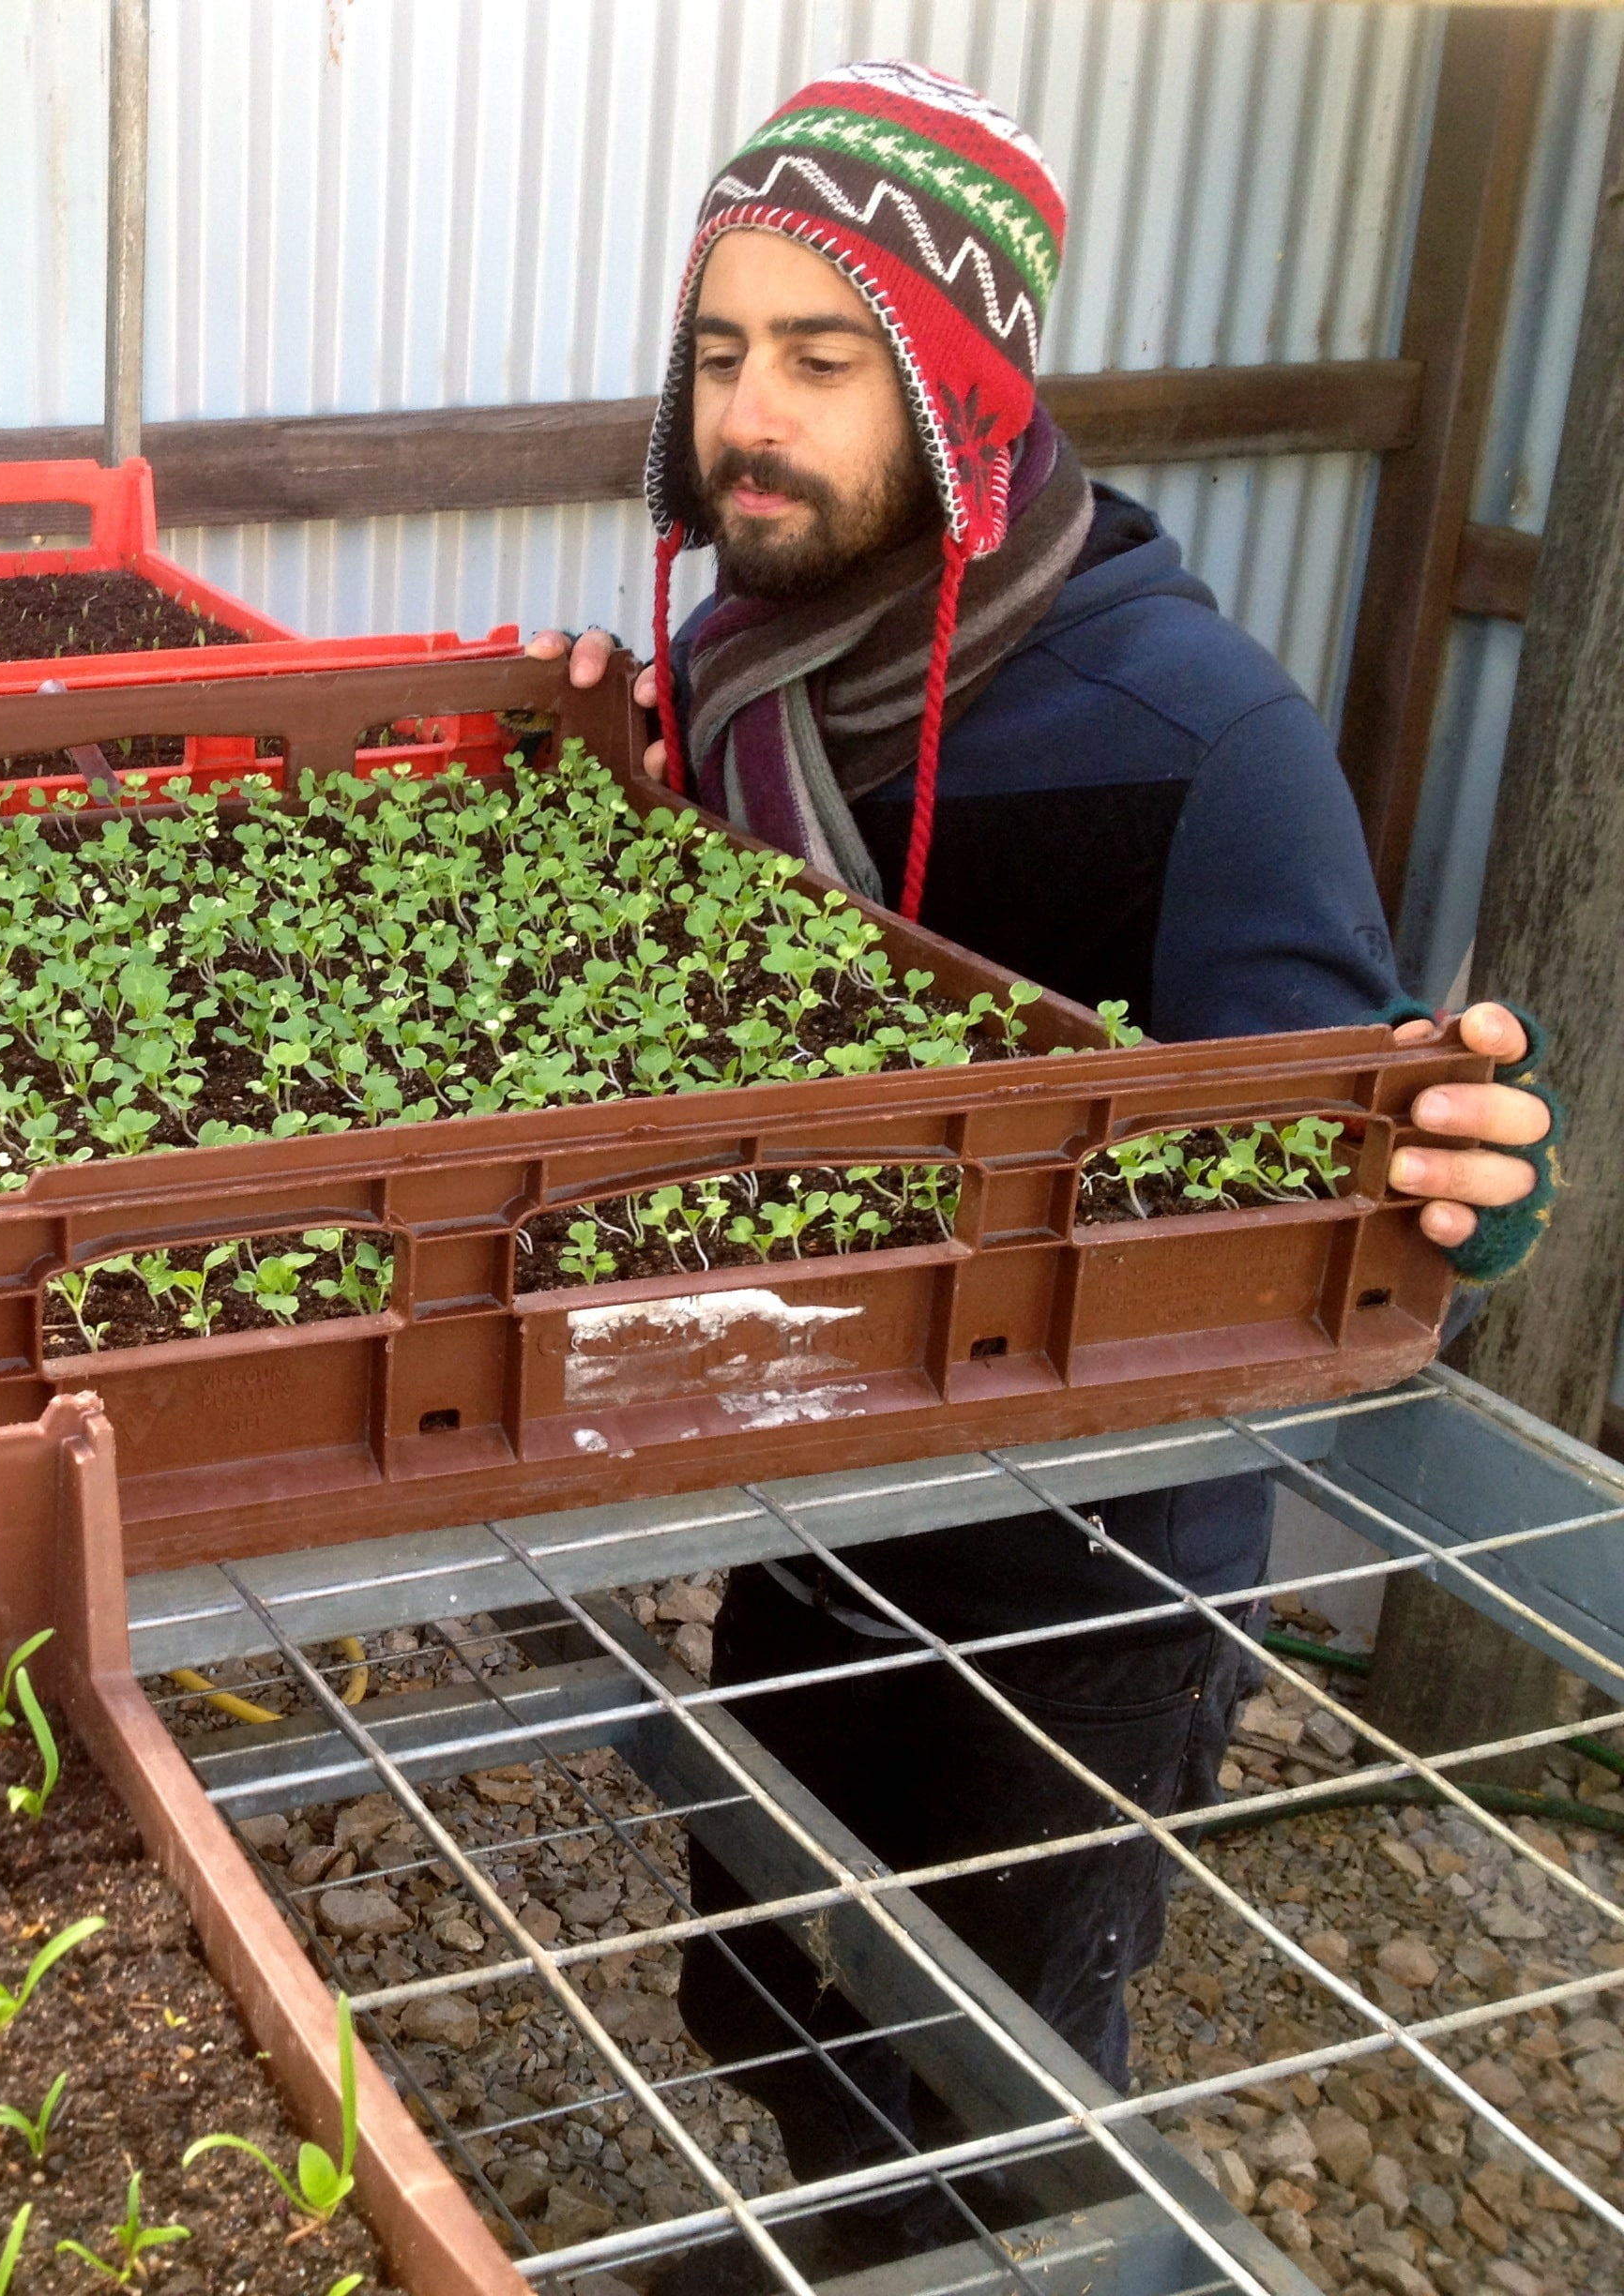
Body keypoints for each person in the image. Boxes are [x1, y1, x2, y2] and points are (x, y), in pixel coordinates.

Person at [523, 60, 1561, 2289]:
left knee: (1002, 2062)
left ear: (961, 386)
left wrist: (1456, 1188)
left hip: (1084, 1568)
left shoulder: (1198, 744)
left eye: (825, 357)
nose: (751, 421)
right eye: (720, 353)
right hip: (815, 1467)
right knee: (778, 1956)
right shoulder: (738, 673)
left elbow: (1361, 1199)